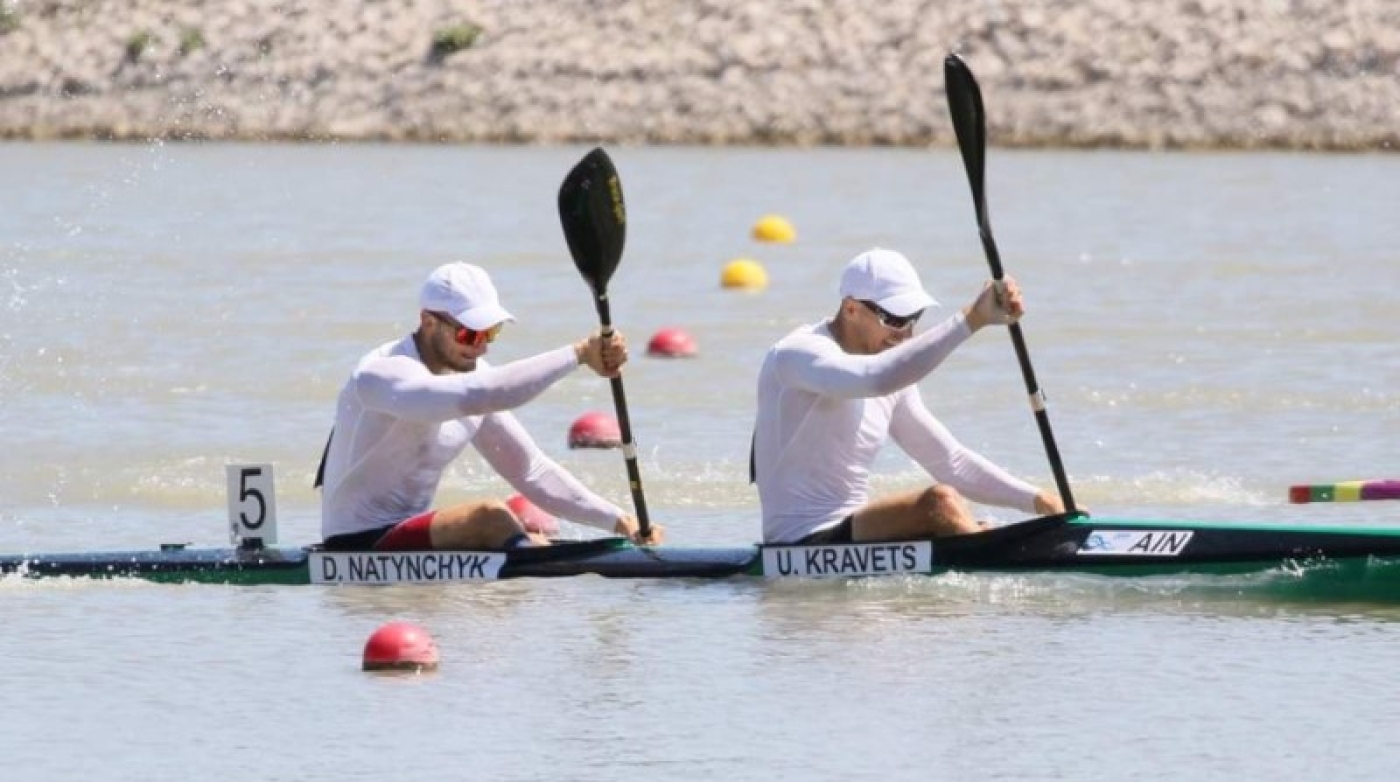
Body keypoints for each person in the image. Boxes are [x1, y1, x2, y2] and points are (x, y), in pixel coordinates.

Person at [319, 261, 663, 552]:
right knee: (489, 516)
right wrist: (578, 355)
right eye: (470, 335)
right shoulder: (380, 374)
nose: (481, 348)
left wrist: (620, 521)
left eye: (491, 333)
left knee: (530, 535)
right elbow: (481, 394)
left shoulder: (474, 379)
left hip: (412, 536)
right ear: (428, 322)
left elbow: (532, 472)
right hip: (355, 544)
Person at [752, 247, 1065, 545]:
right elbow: (875, 378)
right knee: (940, 503)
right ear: (851, 309)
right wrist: (973, 318)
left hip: (853, 533)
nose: (905, 334)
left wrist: (1040, 501)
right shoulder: (797, 355)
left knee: (962, 517)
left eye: (913, 319)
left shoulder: (892, 376)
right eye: (895, 320)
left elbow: (950, 462)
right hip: (798, 540)